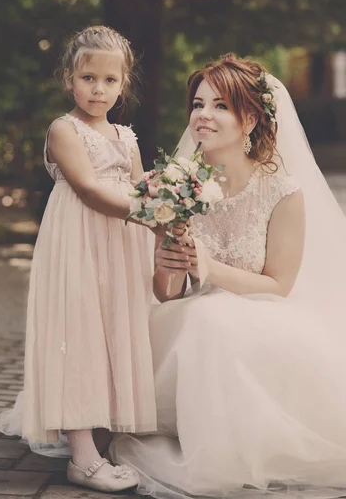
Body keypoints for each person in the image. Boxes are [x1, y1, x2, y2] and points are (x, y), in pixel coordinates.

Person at [110, 54, 346, 499]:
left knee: (215, 321)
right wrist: (171, 262)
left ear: (251, 118)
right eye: (198, 104)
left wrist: (209, 268)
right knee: (199, 320)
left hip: (260, 313)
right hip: (185, 315)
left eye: (220, 106)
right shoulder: (175, 184)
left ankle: (224, 450)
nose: (203, 115)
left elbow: (279, 285)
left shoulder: (283, 192)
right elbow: (165, 294)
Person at [0, 25, 159, 492]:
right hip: (79, 239)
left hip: (121, 242)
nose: (99, 89)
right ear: (69, 78)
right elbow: (89, 190)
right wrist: (148, 214)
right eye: (89, 78)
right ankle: (81, 456)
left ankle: (105, 434)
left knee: (115, 328)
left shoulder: (125, 135)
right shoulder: (63, 130)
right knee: (79, 330)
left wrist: (169, 199)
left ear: (123, 84)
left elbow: (138, 184)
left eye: (110, 80)